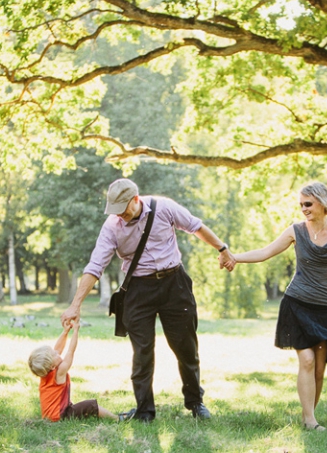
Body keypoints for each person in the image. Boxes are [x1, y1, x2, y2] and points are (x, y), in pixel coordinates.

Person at [60, 178, 234, 423]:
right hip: (139, 289)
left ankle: (195, 402)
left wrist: (222, 249)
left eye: (123, 207)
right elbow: (95, 265)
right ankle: (144, 411)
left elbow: (196, 226)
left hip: (175, 284)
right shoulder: (112, 226)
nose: (119, 214)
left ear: (135, 199)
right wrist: (75, 305)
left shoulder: (164, 207)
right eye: (114, 209)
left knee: (186, 347)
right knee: (142, 353)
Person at [225, 182, 327, 431]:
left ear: (322, 203)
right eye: (301, 205)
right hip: (297, 304)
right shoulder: (296, 231)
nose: (303, 209)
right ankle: (309, 421)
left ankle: (310, 416)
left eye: (308, 204)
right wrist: (234, 257)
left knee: (319, 368)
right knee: (306, 360)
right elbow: (266, 252)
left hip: (325, 308)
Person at [29, 320, 128, 422]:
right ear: (52, 366)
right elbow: (70, 351)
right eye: (54, 354)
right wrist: (75, 331)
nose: (57, 352)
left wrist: (65, 332)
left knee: (81, 408)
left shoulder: (46, 372)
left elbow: (58, 348)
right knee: (91, 405)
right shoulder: (60, 371)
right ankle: (117, 419)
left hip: (52, 416)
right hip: (61, 416)